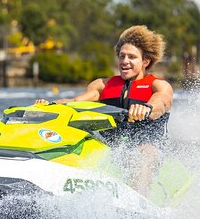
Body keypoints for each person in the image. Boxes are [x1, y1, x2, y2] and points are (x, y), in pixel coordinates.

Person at [36, 25, 173, 196]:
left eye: (132, 57)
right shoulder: (102, 85)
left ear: (145, 61)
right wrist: (50, 105)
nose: (125, 61)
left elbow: (162, 101)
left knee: (142, 154)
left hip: (150, 150)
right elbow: (75, 102)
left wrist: (147, 108)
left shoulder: (157, 85)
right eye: (122, 56)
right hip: (112, 150)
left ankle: (136, 203)